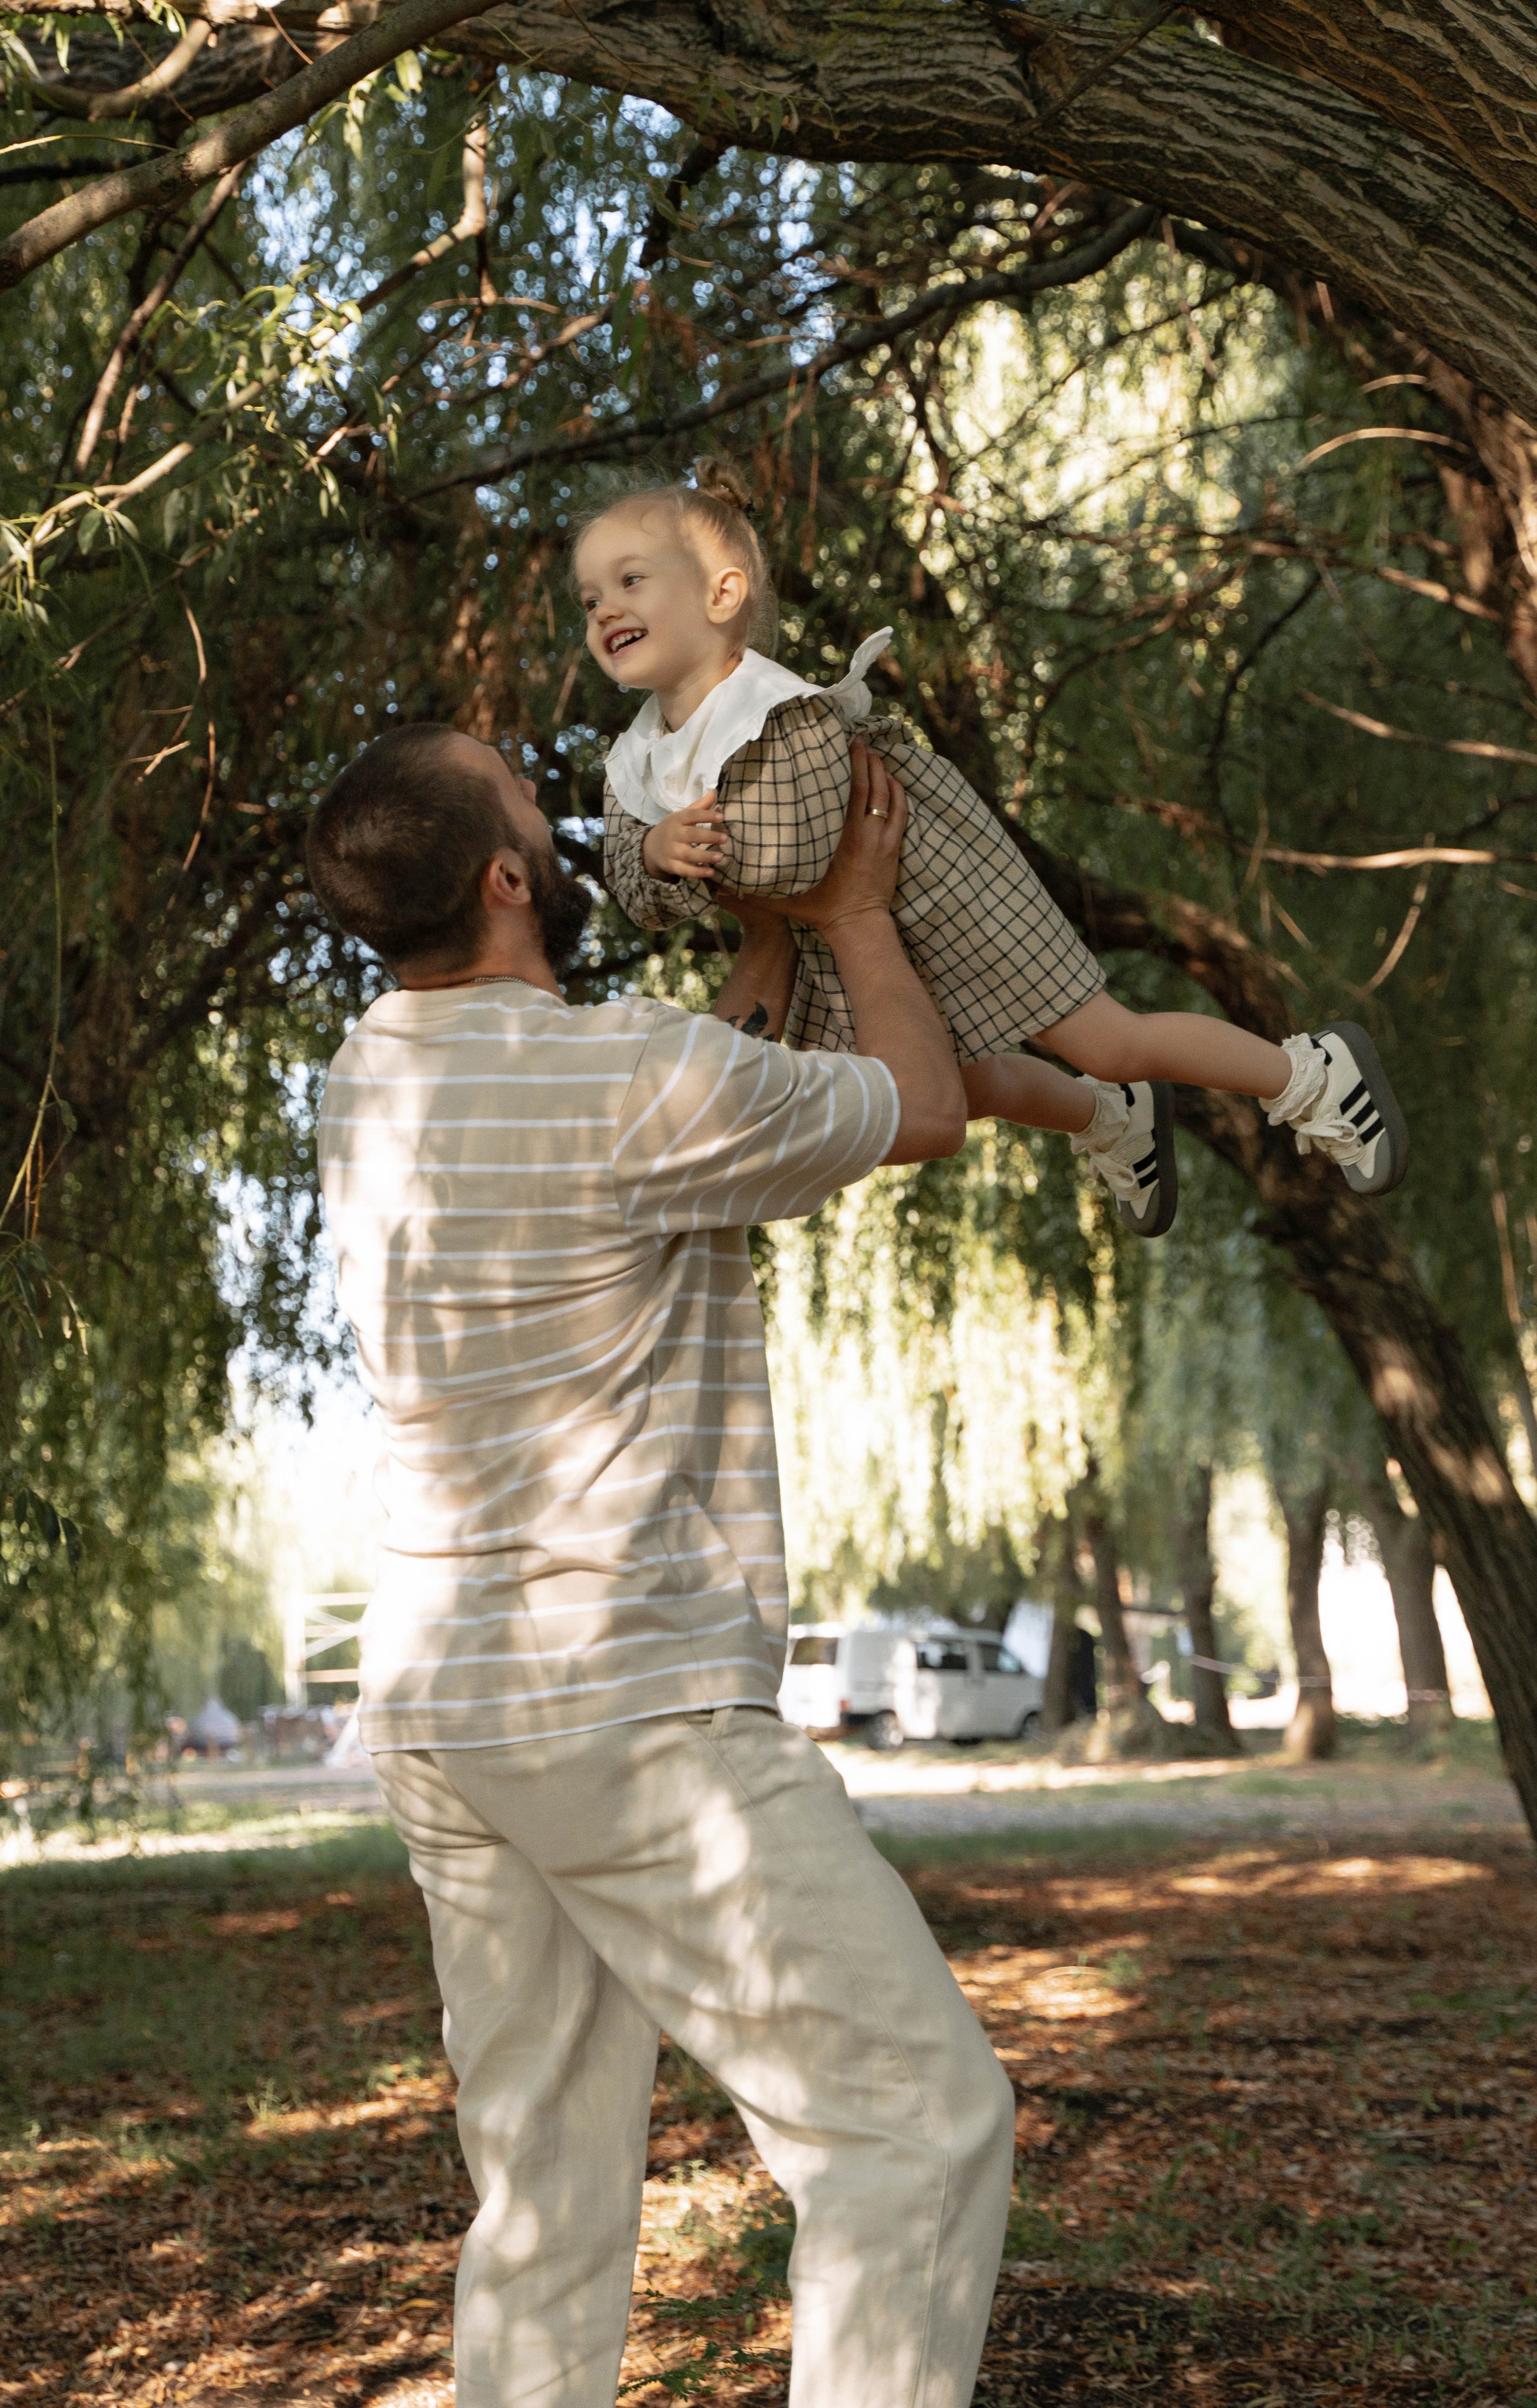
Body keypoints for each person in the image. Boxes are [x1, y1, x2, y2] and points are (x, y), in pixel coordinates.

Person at [304, 724, 1013, 2408]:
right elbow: (920, 1107)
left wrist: (755, 945)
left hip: (444, 1705)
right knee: (915, 2125)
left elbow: (685, 1129)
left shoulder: (366, 1083)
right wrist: (850, 914)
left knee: (542, 2196)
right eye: (531, 804)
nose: (557, 817)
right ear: (506, 877)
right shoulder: (627, 1077)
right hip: (620, 1700)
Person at [582, 459, 1410, 1238]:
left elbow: (796, 856)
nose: (605, 610)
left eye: (630, 581)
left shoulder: (776, 708)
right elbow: (634, 888)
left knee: (1105, 1041)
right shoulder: (638, 759)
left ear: (722, 593)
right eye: (590, 600)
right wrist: (658, 852)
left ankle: (1307, 1075)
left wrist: (712, 868)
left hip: (941, 882)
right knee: (945, 1086)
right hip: (836, 937)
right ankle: (1115, 1117)